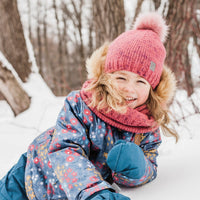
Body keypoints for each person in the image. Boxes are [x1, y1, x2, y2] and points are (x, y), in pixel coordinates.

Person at [0, 12, 178, 200]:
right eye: (121, 78)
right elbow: (67, 150)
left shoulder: (147, 127)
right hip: (28, 176)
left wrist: (136, 167)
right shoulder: (82, 105)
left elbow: (151, 167)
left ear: (153, 88)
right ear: (106, 76)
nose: (129, 89)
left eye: (140, 82)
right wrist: (94, 192)